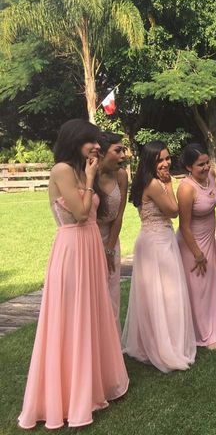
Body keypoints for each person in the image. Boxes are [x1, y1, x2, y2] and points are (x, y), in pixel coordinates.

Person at [18, 119, 128, 429]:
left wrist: (91, 174)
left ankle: (95, 383)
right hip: (71, 247)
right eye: (91, 141)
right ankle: (67, 393)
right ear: (74, 140)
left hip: (91, 246)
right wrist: (91, 178)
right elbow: (80, 214)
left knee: (93, 314)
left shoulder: (81, 170)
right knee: (70, 318)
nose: (97, 146)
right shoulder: (63, 171)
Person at [121, 141, 196, 372]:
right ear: (150, 162)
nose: (166, 163)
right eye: (160, 160)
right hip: (156, 244)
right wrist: (169, 184)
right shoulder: (154, 184)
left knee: (159, 294)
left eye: (167, 158)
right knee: (164, 293)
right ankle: (164, 346)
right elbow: (173, 211)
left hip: (158, 239)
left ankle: (157, 341)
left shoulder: (149, 181)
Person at [177, 143, 216, 351]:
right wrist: (197, 253)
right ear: (188, 167)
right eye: (200, 165)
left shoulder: (210, 175)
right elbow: (184, 226)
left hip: (209, 238)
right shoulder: (186, 188)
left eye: (207, 163)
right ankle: (203, 335)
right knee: (198, 289)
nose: (206, 168)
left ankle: (212, 329)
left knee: (209, 286)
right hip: (192, 243)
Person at [96, 131, 128, 329]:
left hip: (111, 239)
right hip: (89, 239)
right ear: (101, 153)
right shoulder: (86, 175)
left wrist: (109, 248)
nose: (123, 155)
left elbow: (119, 216)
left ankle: (112, 350)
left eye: (123, 150)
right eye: (117, 150)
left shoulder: (122, 175)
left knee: (112, 293)